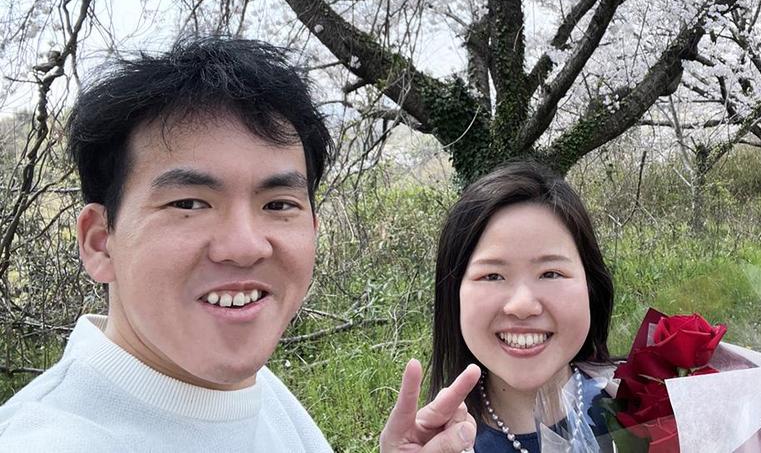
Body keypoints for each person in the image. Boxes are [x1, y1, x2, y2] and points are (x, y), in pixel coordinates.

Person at [0, 37, 479, 453]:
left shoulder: (247, 388)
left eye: (278, 204)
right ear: (100, 242)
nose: (246, 246)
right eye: (189, 203)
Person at [429, 161, 616, 453]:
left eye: (551, 273)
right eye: (492, 276)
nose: (522, 305)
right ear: (454, 296)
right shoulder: (439, 444)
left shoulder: (646, 403)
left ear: (591, 286)